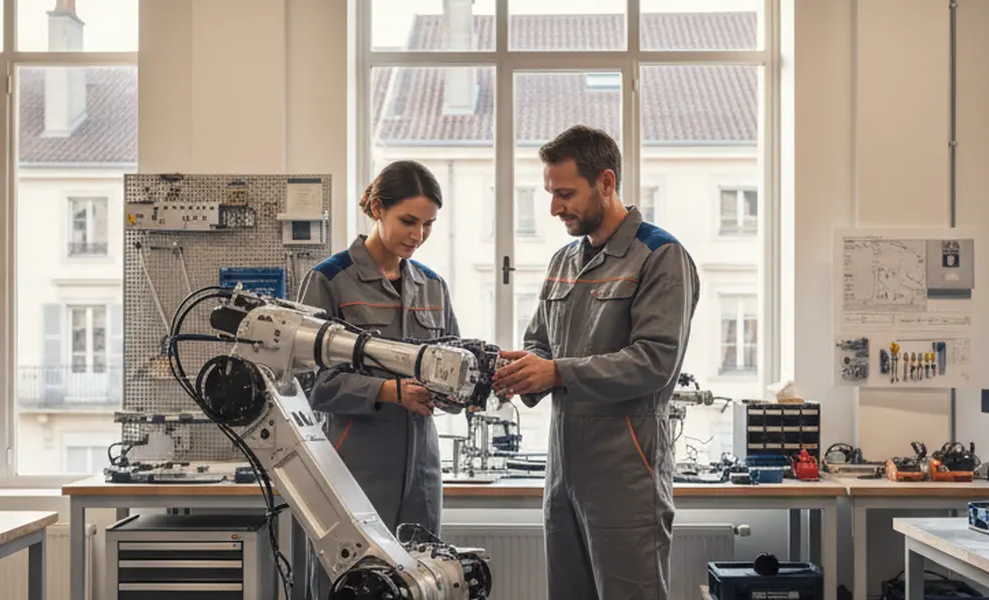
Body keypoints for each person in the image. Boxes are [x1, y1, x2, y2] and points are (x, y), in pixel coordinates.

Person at [492, 125, 700, 600]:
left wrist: (557, 372)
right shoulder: (564, 260)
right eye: (550, 193)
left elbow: (654, 361)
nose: (554, 208)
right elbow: (539, 341)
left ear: (606, 182)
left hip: (626, 475)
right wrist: (523, 371)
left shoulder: (660, 257)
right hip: (563, 473)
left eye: (565, 194)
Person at [298, 160, 457, 595]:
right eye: (408, 221)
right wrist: (388, 391)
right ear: (375, 208)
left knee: (420, 583)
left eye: (428, 225)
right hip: (355, 468)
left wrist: (469, 385)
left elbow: (453, 364)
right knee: (352, 585)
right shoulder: (329, 280)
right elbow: (308, 385)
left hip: (421, 473)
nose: (418, 235)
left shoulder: (432, 286)